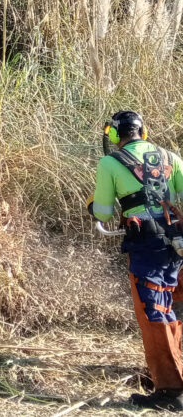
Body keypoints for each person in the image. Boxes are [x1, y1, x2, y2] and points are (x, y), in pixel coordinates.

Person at [90, 110, 183, 410]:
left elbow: (103, 214)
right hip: (177, 243)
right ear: (142, 131)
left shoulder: (110, 162)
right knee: (173, 306)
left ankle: (171, 390)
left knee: (153, 311)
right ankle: (171, 372)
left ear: (116, 136)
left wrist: (95, 207)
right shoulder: (169, 156)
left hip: (147, 246)